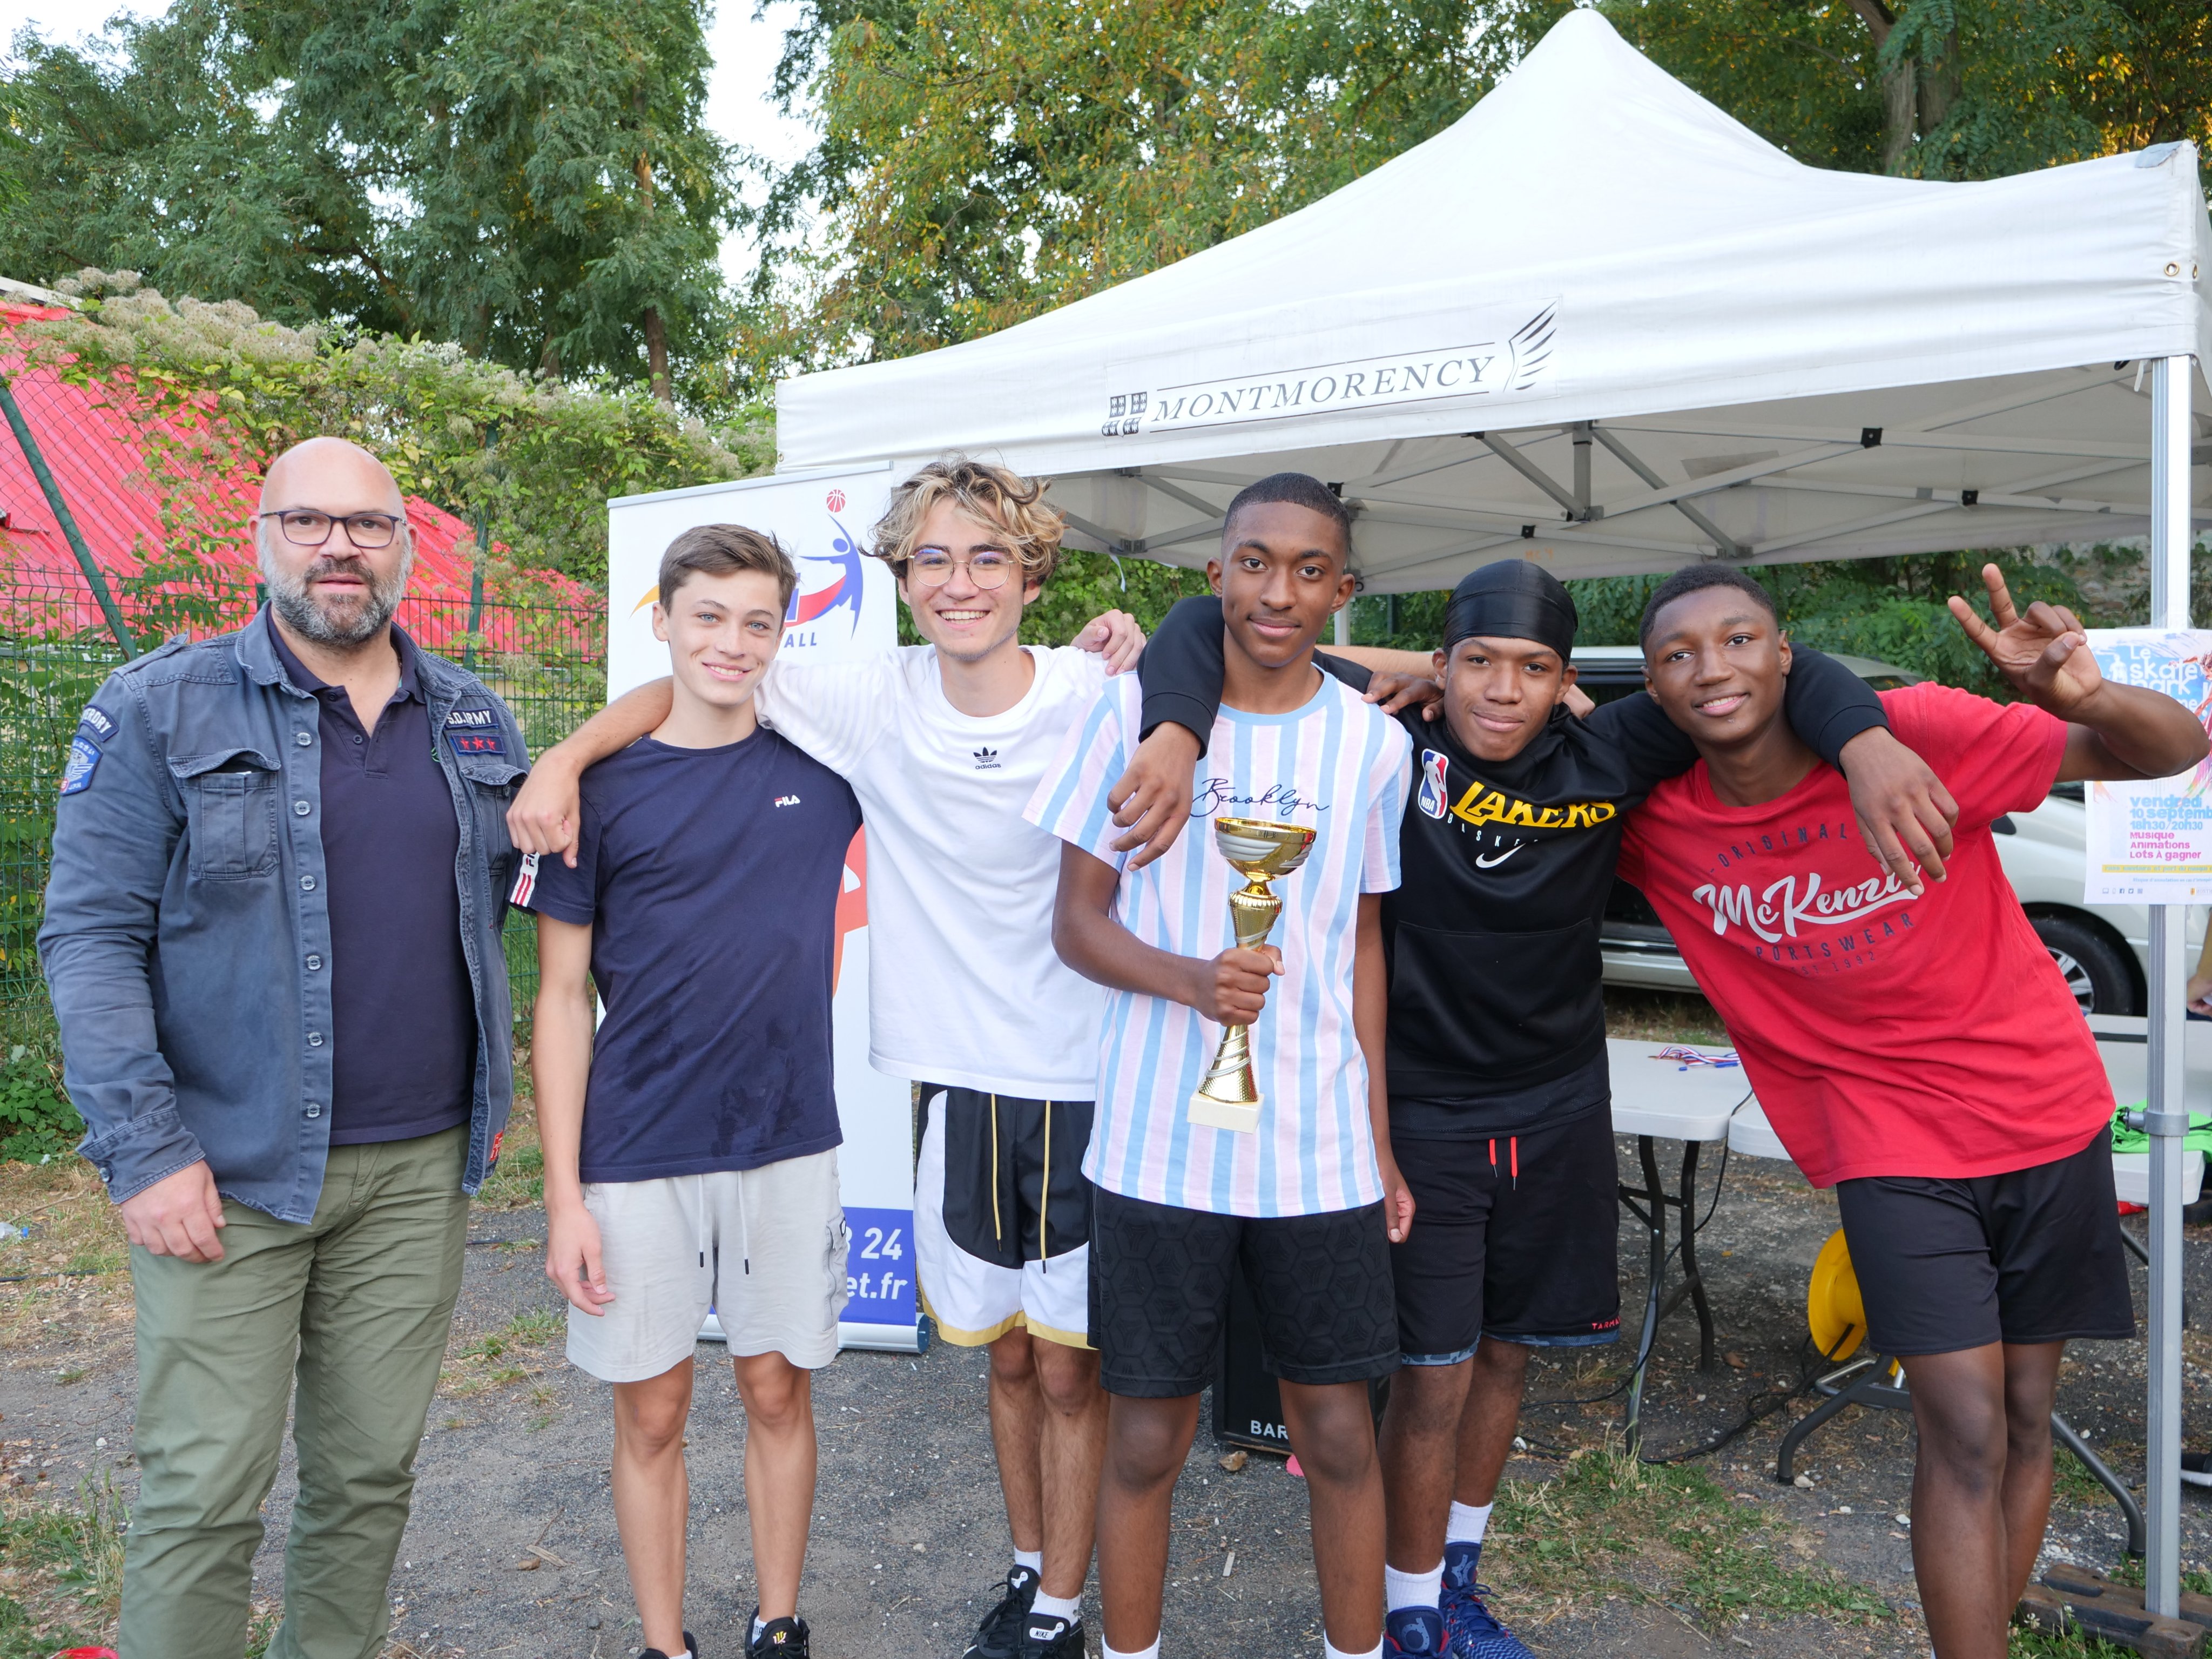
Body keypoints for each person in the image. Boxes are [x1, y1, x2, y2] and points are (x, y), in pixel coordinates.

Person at [1119, 559, 1952, 1657]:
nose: (1502, 691)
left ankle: (1455, 1577)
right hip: (1420, 1107)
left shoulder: (1607, 748)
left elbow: (1775, 674)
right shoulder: (1391, 744)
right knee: (1431, 1372)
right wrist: (1224, 721)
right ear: (1444, 666)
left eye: (1531, 669)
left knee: (1508, 1354)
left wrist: (1868, 743)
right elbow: (1201, 622)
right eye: (1476, 664)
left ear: (1566, 678)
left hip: (1556, 1103)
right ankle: (1406, 1605)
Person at [506, 457, 1172, 1659]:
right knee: (970, 1366)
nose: (958, 581)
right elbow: (680, 697)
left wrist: (1433, 670)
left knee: (1026, 1375)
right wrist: (560, 758)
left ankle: (961, 1614)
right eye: (932, 557)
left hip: (1007, 1091)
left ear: (1029, 571)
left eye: (985, 556)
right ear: (901, 576)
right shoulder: (811, 720)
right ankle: (991, 1579)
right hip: (802, 1109)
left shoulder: (1063, 695)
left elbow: (1266, 663)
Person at [1616, 563, 2207, 1659]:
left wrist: (2080, 696)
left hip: (2043, 1106)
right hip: (1886, 1140)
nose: (1712, 668)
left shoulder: (1917, 731)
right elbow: (1500, 738)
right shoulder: (1653, 824)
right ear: (1648, 689)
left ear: (1784, 654)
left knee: (2025, 1418)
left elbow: (2170, 751)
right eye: (1677, 654)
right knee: (1963, 1425)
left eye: (1738, 639)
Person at [38, 437, 528, 1659]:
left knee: (368, 1485)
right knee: (203, 1495)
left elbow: (549, 891)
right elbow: (90, 937)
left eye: (366, 525)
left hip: (417, 1175)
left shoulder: (471, 715)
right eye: (308, 522)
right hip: (228, 1170)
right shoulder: (159, 705)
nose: (338, 548)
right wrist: (143, 1150)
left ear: (407, 546)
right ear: (261, 539)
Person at [1032, 471, 1413, 1659]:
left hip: (1315, 1154)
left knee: (1339, 1436)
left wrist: (1380, 1141)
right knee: (1145, 1439)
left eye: (1309, 571)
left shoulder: (1371, 748)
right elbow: (1075, 926)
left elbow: (1356, 943)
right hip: (1159, 1145)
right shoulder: (1133, 722)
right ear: (1214, 576)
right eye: (1254, 562)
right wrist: (1191, 981)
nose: (1278, 591)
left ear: (1342, 593)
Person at [518, 525, 860, 1659]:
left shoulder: (827, 772)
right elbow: (562, 1000)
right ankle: (663, 1644)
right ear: (658, 620)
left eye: (756, 620)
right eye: (705, 615)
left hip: (784, 1139)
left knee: (774, 1391)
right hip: (636, 1147)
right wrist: (563, 1196)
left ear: (782, 635)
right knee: (652, 1410)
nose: (731, 641)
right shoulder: (597, 794)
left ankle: (778, 1622)